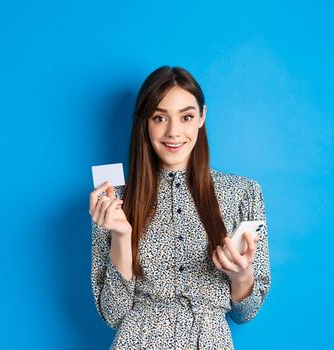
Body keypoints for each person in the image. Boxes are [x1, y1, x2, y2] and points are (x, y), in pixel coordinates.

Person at [89, 66, 271, 349]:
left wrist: (241, 274)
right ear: (145, 123)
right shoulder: (113, 197)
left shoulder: (244, 193)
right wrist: (122, 236)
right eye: (160, 118)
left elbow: (246, 314)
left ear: (202, 117)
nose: (173, 132)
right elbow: (113, 315)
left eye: (186, 117)